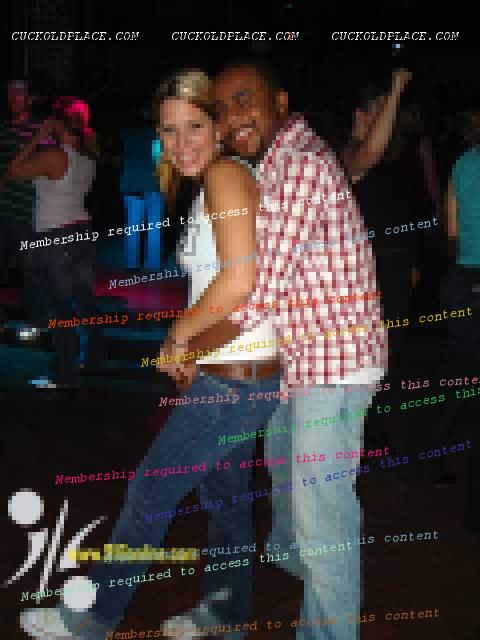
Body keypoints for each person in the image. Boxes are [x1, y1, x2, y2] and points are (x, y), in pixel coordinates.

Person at [19, 69, 283, 640]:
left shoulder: (225, 176)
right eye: (168, 130)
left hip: (233, 382)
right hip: (241, 371)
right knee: (226, 500)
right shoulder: (224, 179)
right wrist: (194, 346)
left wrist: (179, 337)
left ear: (218, 127)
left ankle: (91, 618)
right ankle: (227, 614)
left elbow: (240, 282)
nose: (180, 142)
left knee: (149, 493)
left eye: (194, 126)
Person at [181, 59, 388, 640]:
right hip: (303, 361)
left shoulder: (298, 166)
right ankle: (301, 560)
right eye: (222, 109)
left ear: (279, 101)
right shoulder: (273, 165)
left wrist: (186, 344)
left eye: (244, 100)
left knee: (323, 512)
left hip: (334, 365)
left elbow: (258, 291)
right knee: (289, 489)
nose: (233, 118)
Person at [1, 96, 102, 389]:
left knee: (60, 309)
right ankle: (93, 358)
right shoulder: (87, 157)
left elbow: (11, 171)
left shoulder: (54, 155)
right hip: (81, 232)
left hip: (54, 237)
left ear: (58, 123)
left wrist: (36, 137)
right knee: (85, 302)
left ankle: (63, 373)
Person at [0, 79, 49, 339]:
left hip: (28, 212)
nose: (13, 99)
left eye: (18, 94)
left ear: (29, 99)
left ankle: (37, 322)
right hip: (3, 211)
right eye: (10, 94)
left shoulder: (40, 130)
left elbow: (49, 167)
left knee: (31, 272)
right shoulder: (3, 129)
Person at [120, 122, 164, 270]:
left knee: (132, 226)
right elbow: (157, 158)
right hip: (153, 183)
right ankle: (152, 264)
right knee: (154, 227)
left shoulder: (126, 133)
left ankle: (131, 264)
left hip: (131, 183)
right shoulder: (156, 134)